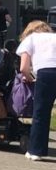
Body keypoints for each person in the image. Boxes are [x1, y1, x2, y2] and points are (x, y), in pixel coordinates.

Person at [17, 21, 56, 161]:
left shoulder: (31, 39)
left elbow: (23, 68)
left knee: (41, 113)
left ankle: (36, 151)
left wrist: (30, 78)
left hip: (46, 74)